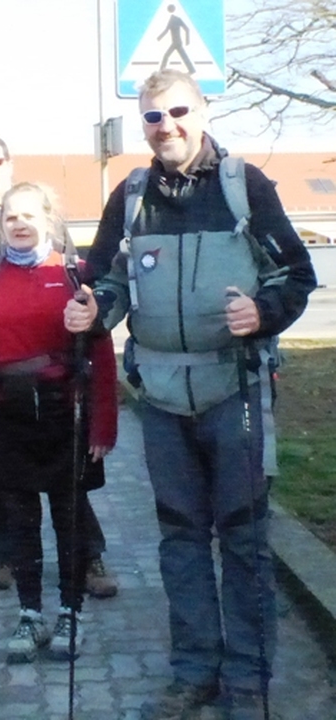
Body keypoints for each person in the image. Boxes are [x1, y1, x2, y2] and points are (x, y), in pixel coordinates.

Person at [65, 70, 317, 719]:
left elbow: (295, 273)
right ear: (142, 124)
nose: (166, 126)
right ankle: (194, 671)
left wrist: (261, 312)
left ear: (202, 112)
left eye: (178, 111)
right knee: (180, 540)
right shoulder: (131, 195)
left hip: (234, 392)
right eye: (153, 116)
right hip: (161, 400)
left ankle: (247, 679)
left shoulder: (243, 186)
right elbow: (105, 283)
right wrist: (92, 313)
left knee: (243, 538)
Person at [0, 135, 118, 598]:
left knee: (69, 504)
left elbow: (101, 353)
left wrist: (103, 425)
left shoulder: (74, 272)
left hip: (63, 410)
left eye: (29, 216)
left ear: (48, 220)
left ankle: (82, 576)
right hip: (4, 407)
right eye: (11, 218)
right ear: (1, 224)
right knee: (11, 504)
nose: (20, 224)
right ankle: (21, 589)